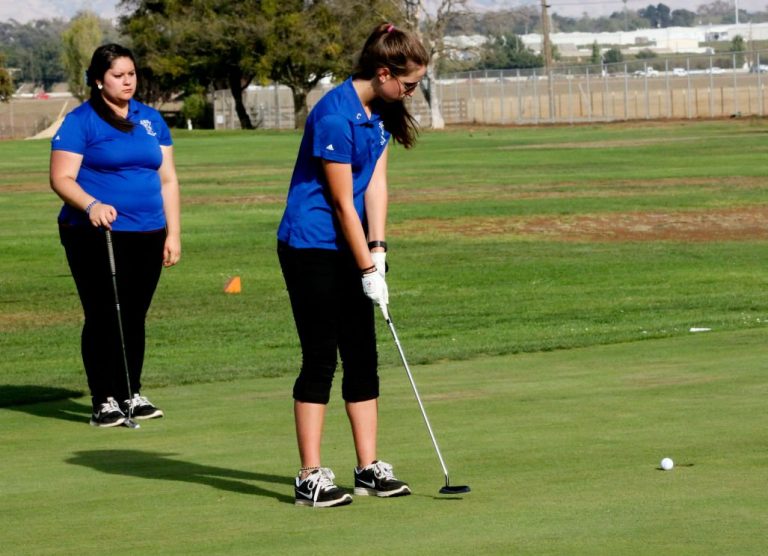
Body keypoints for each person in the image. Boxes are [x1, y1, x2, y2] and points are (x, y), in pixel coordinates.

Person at [277, 23, 429, 507]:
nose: (410, 93)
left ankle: (368, 468)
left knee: (363, 355)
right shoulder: (334, 115)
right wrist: (367, 271)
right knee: (321, 356)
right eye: (407, 84)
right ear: (383, 72)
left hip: (354, 245)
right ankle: (309, 475)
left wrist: (378, 251)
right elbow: (343, 203)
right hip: (312, 245)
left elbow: (376, 185)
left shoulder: (378, 113)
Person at [49, 44, 181, 428]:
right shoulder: (81, 121)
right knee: (104, 314)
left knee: (135, 315)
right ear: (98, 80)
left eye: (132, 74)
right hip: (95, 232)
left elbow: (168, 180)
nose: (127, 81)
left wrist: (174, 232)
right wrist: (91, 204)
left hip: (149, 231)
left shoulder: (151, 119)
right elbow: (61, 178)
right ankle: (103, 398)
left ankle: (131, 393)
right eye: (118, 75)